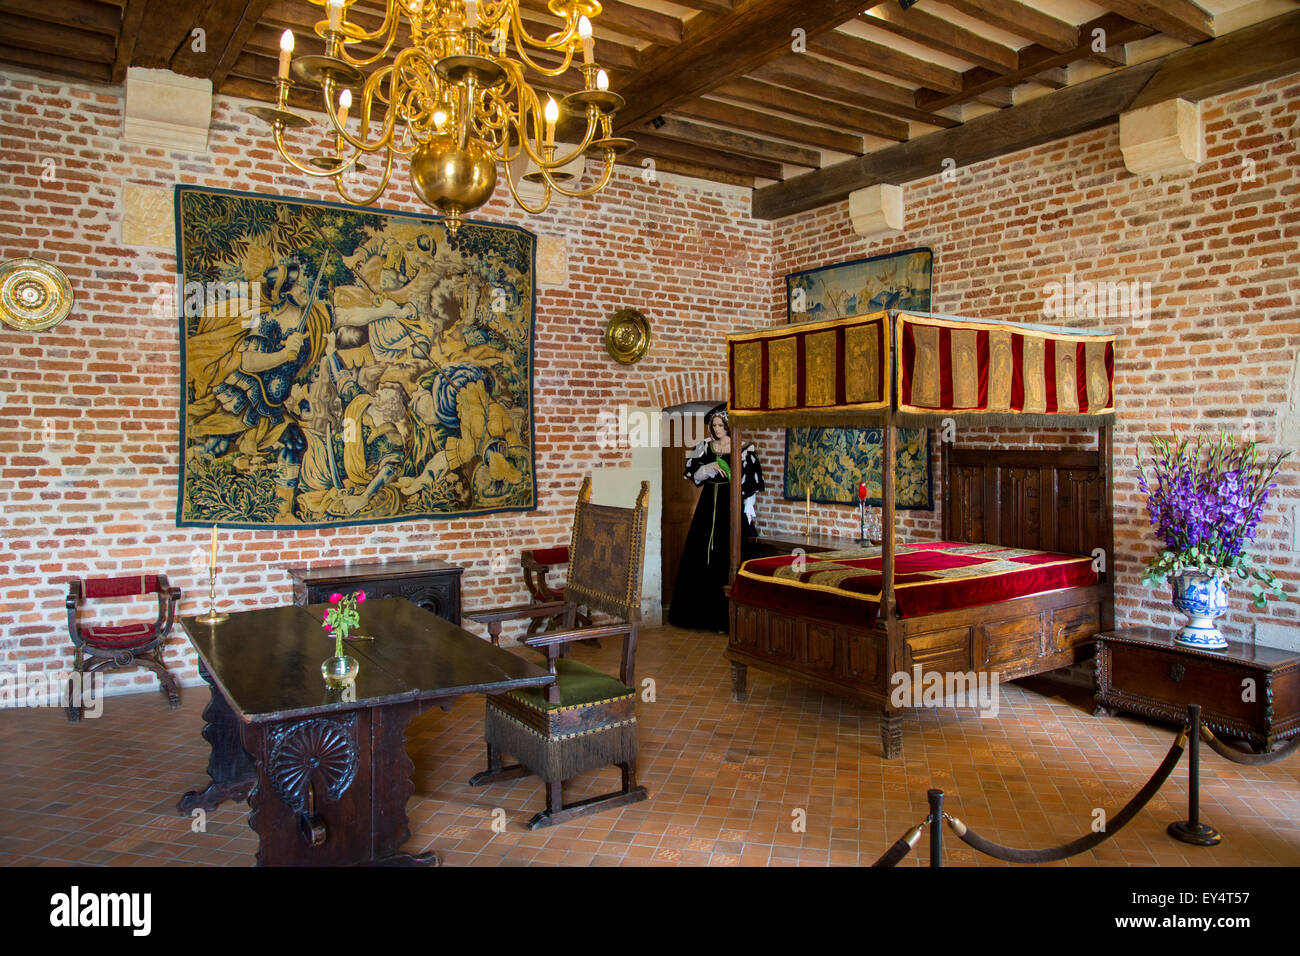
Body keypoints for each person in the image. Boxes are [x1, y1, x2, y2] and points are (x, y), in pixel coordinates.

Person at [668, 404, 764, 632]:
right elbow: (691, 472)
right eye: (714, 426)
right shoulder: (705, 447)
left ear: (729, 426)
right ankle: (698, 616)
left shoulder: (744, 449)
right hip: (709, 502)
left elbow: (751, 484)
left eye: (721, 425)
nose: (717, 429)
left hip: (731, 504)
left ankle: (733, 619)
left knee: (731, 550)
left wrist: (748, 507)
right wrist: (707, 468)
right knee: (702, 551)